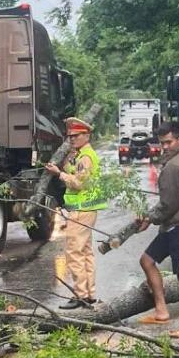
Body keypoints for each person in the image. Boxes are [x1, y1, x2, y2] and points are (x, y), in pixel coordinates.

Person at [134, 122, 179, 324]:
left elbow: (168, 205)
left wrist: (149, 218)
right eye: (162, 143)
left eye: (168, 142)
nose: (164, 147)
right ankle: (161, 309)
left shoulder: (174, 167)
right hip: (174, 225)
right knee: (147, 260)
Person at [45, 117, 106, 308]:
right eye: (70, 136)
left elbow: (79, 183)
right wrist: (66, 164)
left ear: (86, 136)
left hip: (81, 210)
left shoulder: (86, 157)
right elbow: (74, 171)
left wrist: (59, 174)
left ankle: (80, 295)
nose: (72, 139)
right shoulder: (81, 154)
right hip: (85, 209)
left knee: (74, 252)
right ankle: (89, 294)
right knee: (85, 252)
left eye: (76, 136)